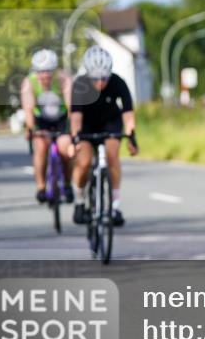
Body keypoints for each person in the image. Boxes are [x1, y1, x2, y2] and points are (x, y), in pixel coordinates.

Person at [68, 46, 138, 226]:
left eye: (104, 78)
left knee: (112, 155)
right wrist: (74, 139)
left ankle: (114, 207)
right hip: (86, 123)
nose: (100, 82)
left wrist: (131, 137)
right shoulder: (80, 85)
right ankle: (79, 201)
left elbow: (128, 114)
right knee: (83, 162)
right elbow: (75, 117)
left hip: (110, 121)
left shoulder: (118, 82)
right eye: (96, 78)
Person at [21, 49, 74, 203]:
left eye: (49, 72)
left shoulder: (63, 79)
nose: (45, 76)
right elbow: (28, 110)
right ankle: (41, 186)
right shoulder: (29, 82)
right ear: (35, 72)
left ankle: (67, 183)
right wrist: (31, 129)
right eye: (41, 72)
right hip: (41, 120)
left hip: (61, 119)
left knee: (65, 148)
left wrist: (71, 129)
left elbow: (72, 107)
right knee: (41, 146)